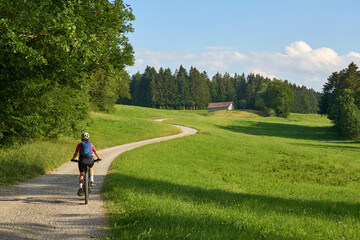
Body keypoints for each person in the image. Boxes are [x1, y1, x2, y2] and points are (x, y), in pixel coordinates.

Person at [71, 132, 101, 196]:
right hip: (90, 160)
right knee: (91, 167)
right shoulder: (91, 144)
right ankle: (92, 180)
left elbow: (76, 153)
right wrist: (99, 158)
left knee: (82, 174)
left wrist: (73, 158)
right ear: (88, 138)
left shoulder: (79, 145)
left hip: (81, 161)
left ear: (81, 138)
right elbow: (95, 152)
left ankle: (81, 188)